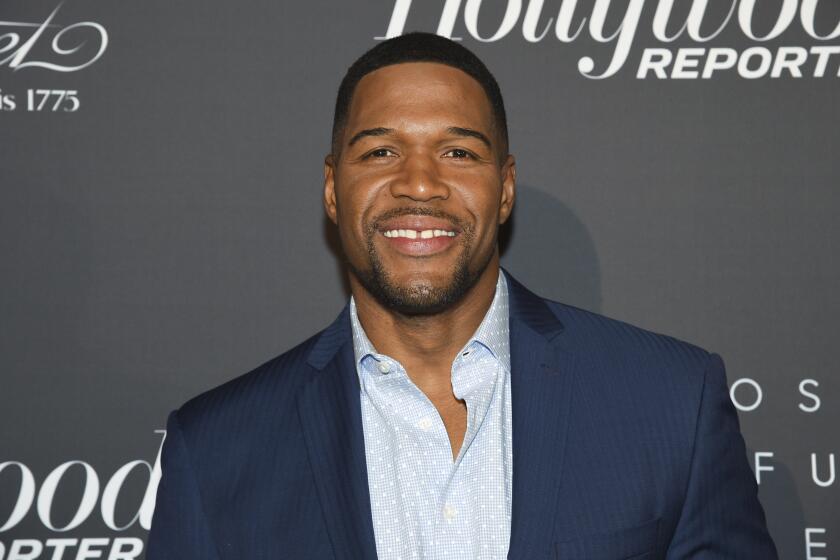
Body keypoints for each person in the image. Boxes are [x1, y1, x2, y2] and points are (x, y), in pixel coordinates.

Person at [147, 32, 777, 559]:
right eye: (381, 150)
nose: (419, 183)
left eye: (457, 151)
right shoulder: (218, 450)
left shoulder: (670, 403)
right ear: (332, 188)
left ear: (504, 189)